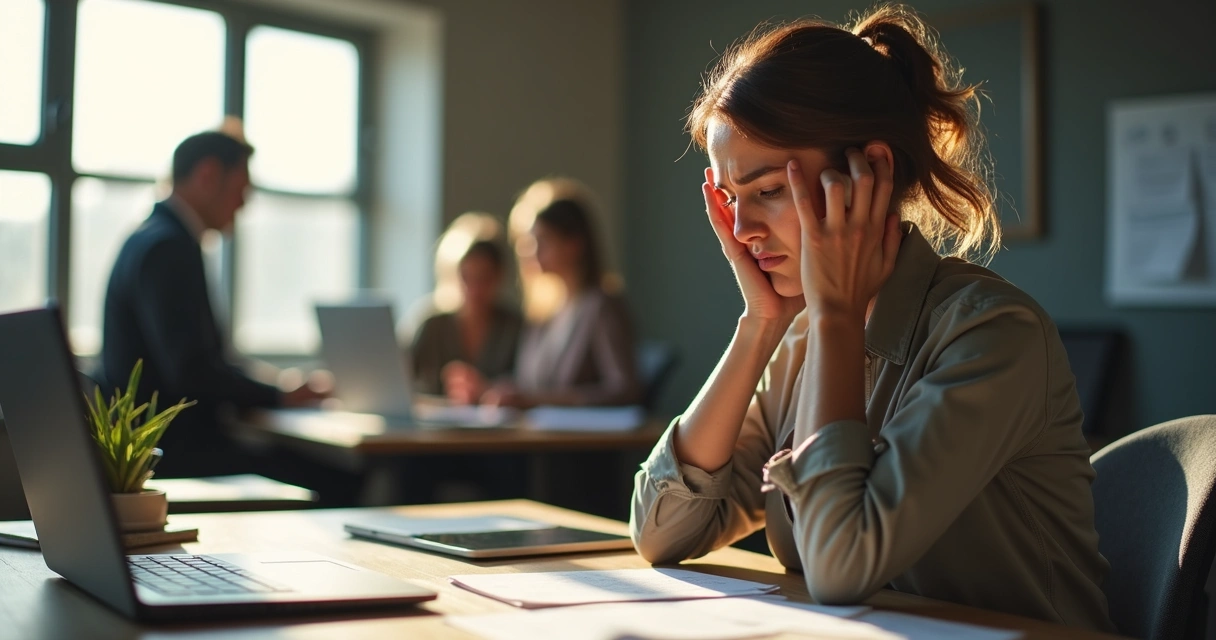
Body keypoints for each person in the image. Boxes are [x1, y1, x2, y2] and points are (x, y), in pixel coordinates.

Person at [630, 6, 1114, 632]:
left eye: (769, 191)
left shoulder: (993, 333)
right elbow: (661, 531)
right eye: (731, 200)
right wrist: (759, 325)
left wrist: (833, 315)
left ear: (868, 176)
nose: (743, 230)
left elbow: (841, 566)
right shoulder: (798, 340)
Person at [100, 130, 324, 477]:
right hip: (173, 452)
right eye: (241, 188)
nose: (244, 202)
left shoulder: (153, 237)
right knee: (330, 475)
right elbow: (192, 372)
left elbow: (197, 361)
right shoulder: (169, 248)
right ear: (207, 175)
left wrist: (277, 389)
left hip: (162, 446)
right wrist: (278, 396)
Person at [445, 179, 642, 408]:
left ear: (574, 244)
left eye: (543, 241)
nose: (531, 252)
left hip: (579, 442)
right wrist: (489, 390)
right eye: (530, 242)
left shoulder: (601, 306)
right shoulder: (547, 311)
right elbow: (531, 386)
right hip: (538, 438)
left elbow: (625, 390)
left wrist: (534, 400)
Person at [408, 212, 522, 397]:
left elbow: (525, 384)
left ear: (500, 277)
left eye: (485, 279)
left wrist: (486, 390)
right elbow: (403, 376)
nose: (475, 289)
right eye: (467, 277)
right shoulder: (433, 325)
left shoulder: (514, 327)